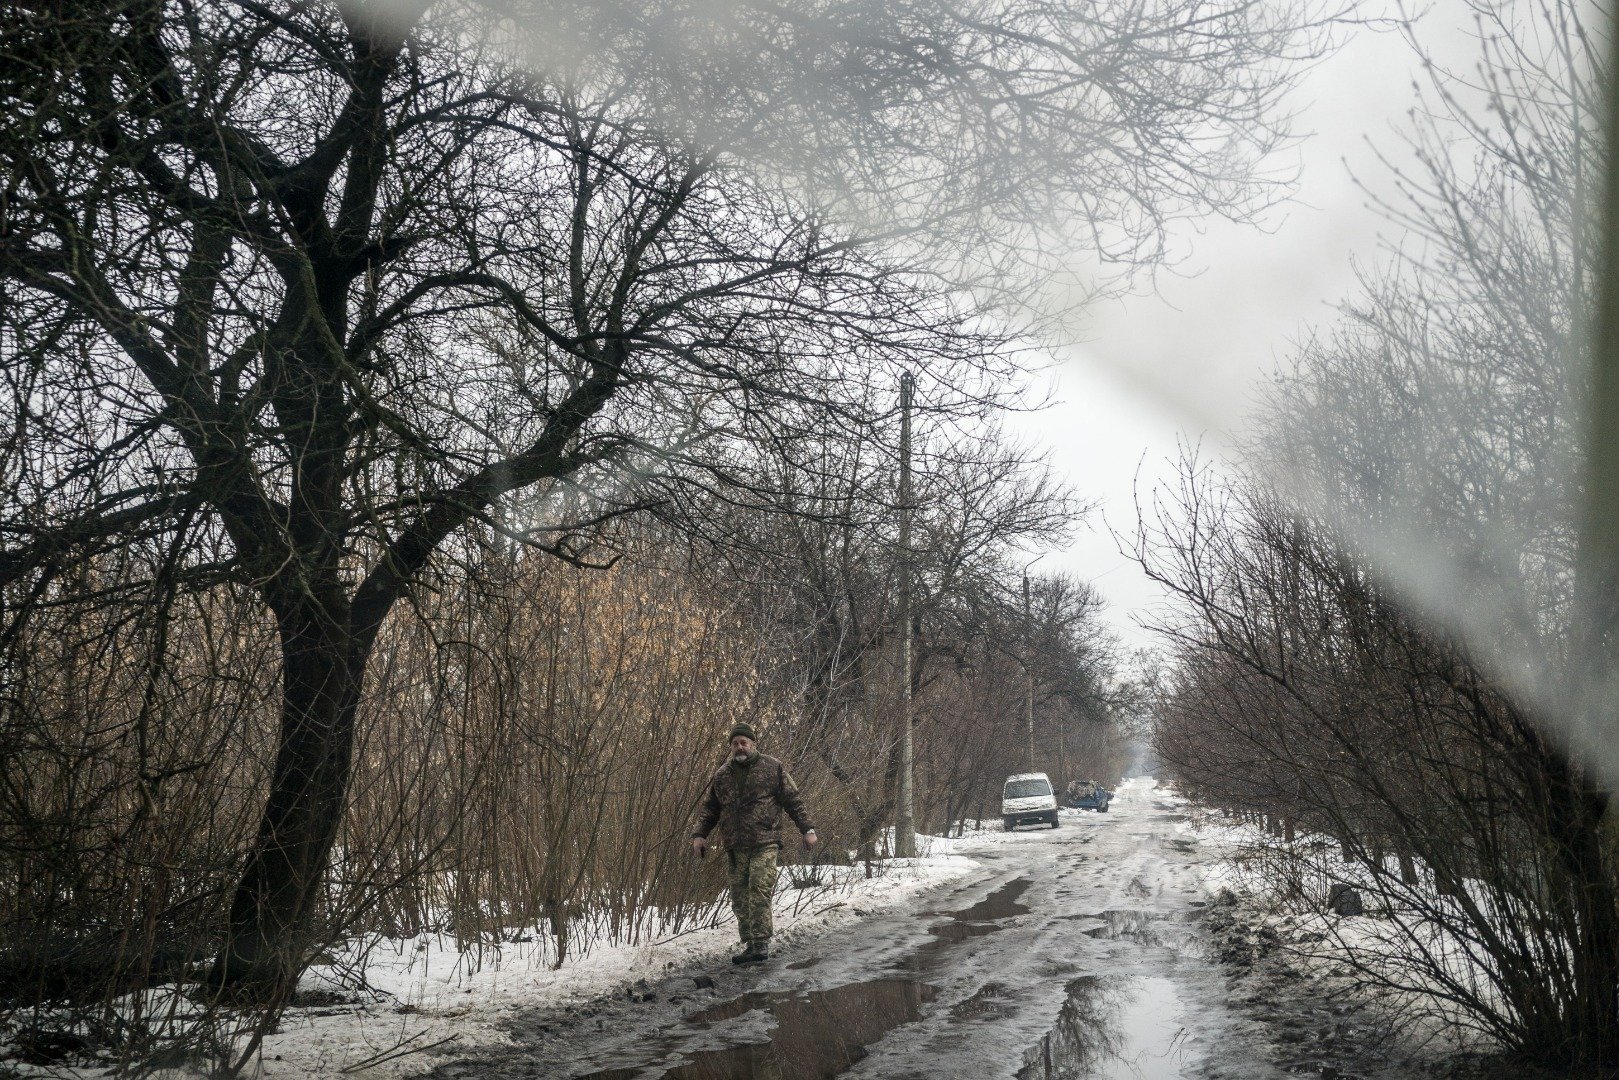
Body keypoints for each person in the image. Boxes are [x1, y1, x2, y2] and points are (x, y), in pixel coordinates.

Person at [691, 722, 818, 964]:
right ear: (730, 747)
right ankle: (750, 944)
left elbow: (793, 801)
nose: (739, 747)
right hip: (735, 845)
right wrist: (700, 835)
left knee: (759, 888)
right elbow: (710, 809)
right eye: (735, 743)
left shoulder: (772, 768)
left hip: (765, 841)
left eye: (744, 743)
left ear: (753, 744)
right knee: (740, 895)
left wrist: (807, 829)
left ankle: (760, 945)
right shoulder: (722, 775)